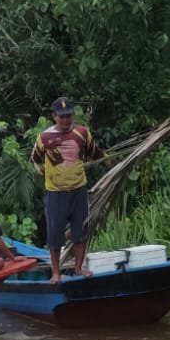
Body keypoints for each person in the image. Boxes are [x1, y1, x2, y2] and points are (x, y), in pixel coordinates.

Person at [31, 96, 102, 284]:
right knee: (54, 234)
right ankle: (56, 272)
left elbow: (96, 154)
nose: (65, 120)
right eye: (61, 117)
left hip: (78, 189)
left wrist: (109, 162)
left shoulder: (82, 133)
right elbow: (35, 160)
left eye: (68, 116)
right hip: (55, 192)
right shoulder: (44, 137)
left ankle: (79, 268)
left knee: (81, 230)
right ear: (54, 116)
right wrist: (47, 174)